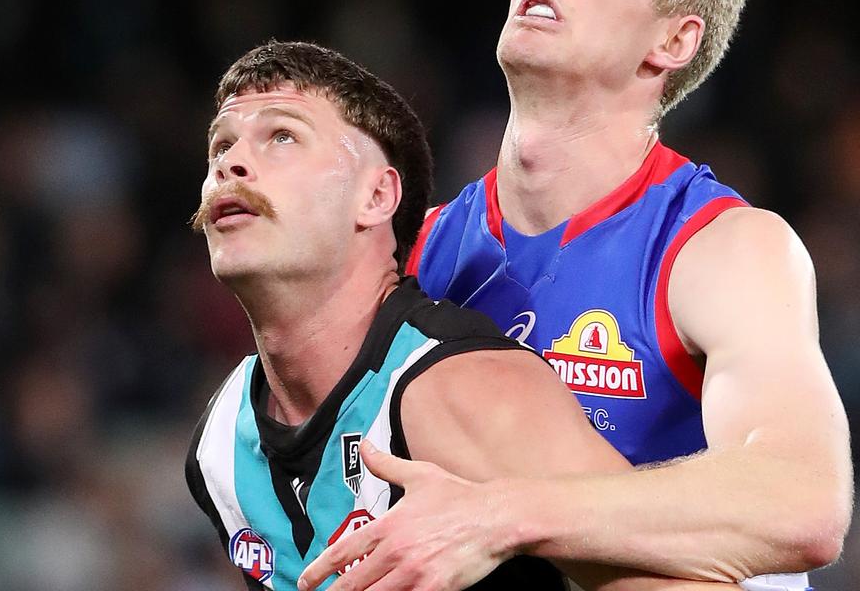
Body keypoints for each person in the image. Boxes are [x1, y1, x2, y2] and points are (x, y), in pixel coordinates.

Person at [298, 0, 853, 591]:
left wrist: (502, 514)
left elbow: (803, 504)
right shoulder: (419, 252)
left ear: (673, 40)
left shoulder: (721, 248)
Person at [184, 41, 744, 591]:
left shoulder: (461, 389)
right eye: (220, 147)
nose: (230, 164)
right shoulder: (222, 439)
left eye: (282, 137)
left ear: (377, 197)